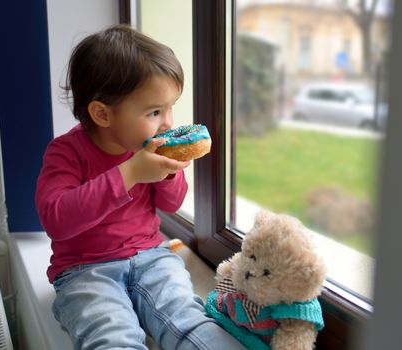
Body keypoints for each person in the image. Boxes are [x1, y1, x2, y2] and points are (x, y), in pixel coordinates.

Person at [35, 25, 245, 350]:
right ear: (102, 114)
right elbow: (56, 219)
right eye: (154, 111)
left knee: (187, 319)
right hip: (85, 271)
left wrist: (170, 173)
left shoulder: (144, 146)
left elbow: (171, 204)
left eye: (170, 107)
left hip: (151, 257)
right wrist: (130, 172)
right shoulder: (66, 153)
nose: (168, 123)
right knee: (111, 335)